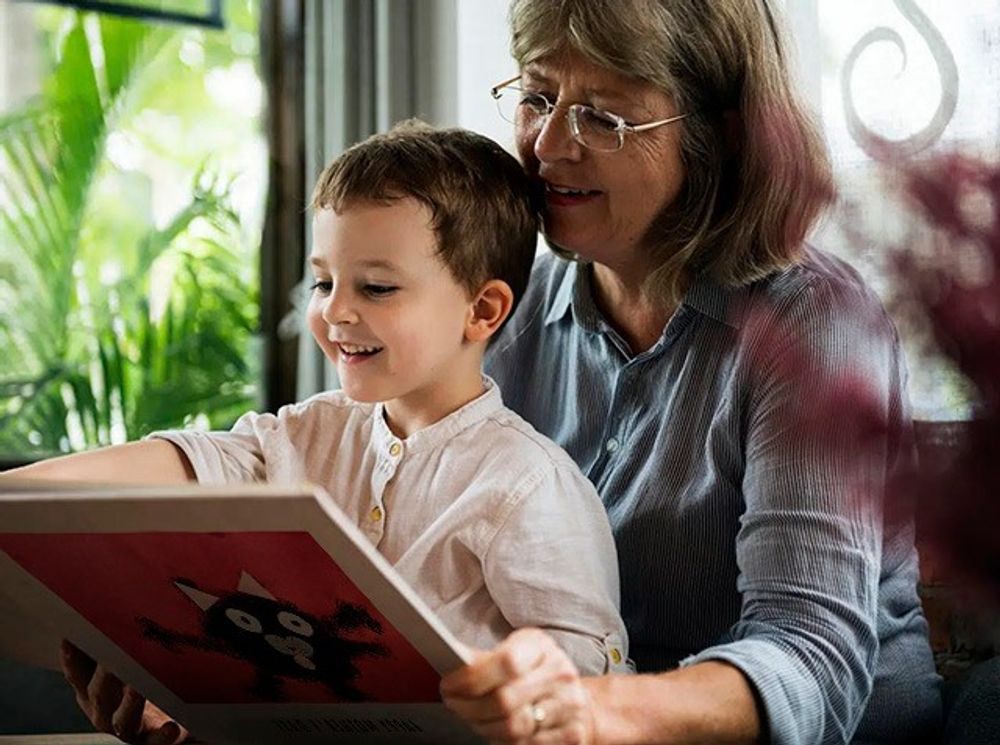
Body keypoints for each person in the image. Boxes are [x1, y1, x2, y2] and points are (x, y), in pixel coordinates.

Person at [4, 121, 629, 743]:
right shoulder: (309, 433)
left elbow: (589, 680)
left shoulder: (527, 483)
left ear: (482, 310)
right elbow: (188, 461)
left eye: (376, 287)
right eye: (324, 281)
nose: (334, 311)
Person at [439, 1, 941, 744]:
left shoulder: (814, 324)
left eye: (603, 118)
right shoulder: (502, 305)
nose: (547, 144)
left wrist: (594, 707)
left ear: (720, 136)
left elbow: (808, 659)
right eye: (538, 97)